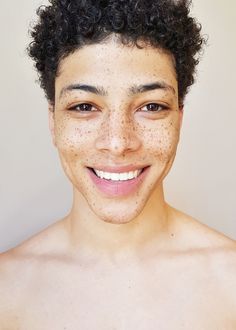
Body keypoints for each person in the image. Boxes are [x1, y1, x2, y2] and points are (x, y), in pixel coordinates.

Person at [0, 0, 235, 328]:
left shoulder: (230, 287)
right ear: (53, 122)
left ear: (179, 120)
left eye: (151, 106)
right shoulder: (6, 293)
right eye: (84, 106)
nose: (118, 142)